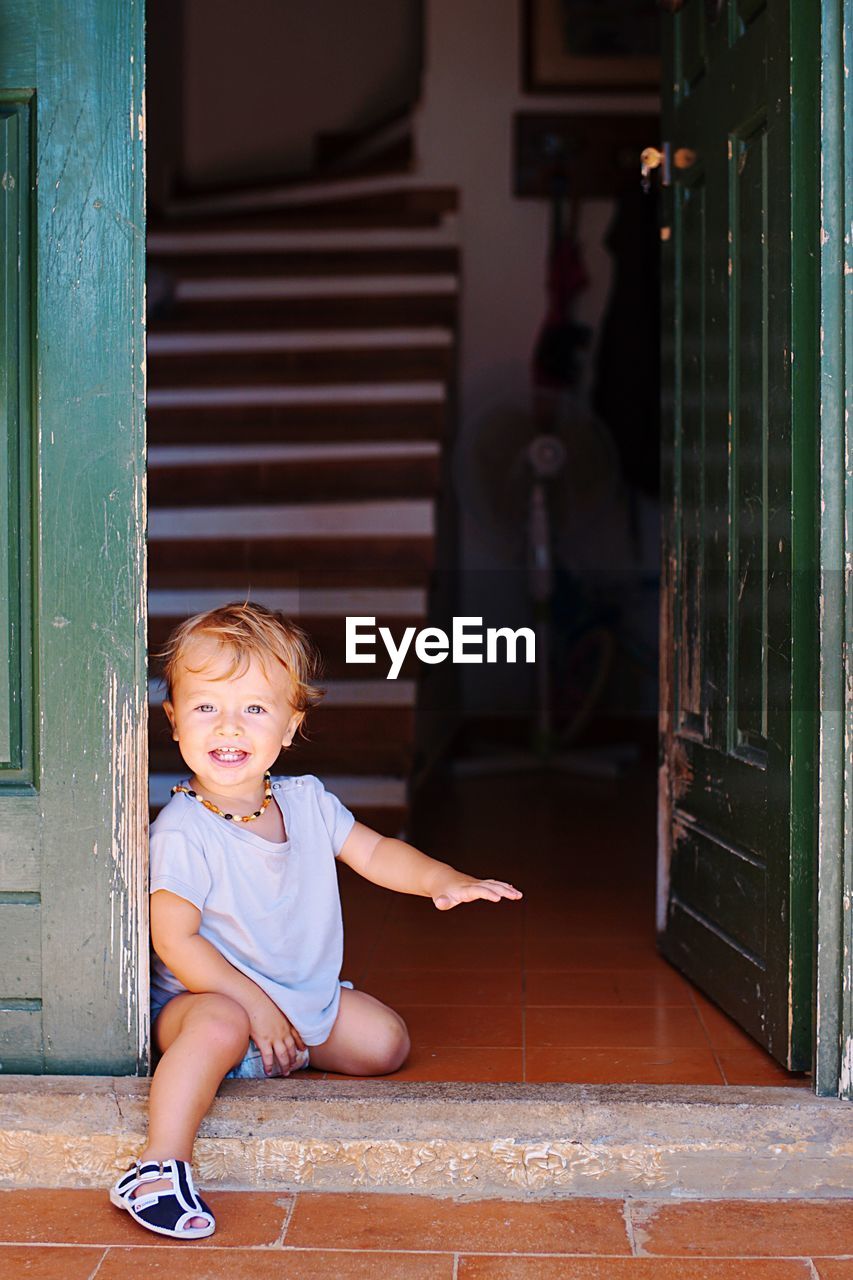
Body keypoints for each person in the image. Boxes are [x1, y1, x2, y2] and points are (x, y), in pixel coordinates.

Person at [110, 601, 522, 1239]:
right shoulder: (182, 831)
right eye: (205, 708)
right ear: (172, 721)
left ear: (290, 724)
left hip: (292, 999)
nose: (229, 728)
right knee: (220, 1024)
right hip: (204, 1002)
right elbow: (175, 940)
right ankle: (159, 1166)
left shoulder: (306, 802)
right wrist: (257, 1008)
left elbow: (376, 852)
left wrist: (444, 879)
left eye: (254, 708)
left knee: (386, 1042)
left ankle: (269, 1054)